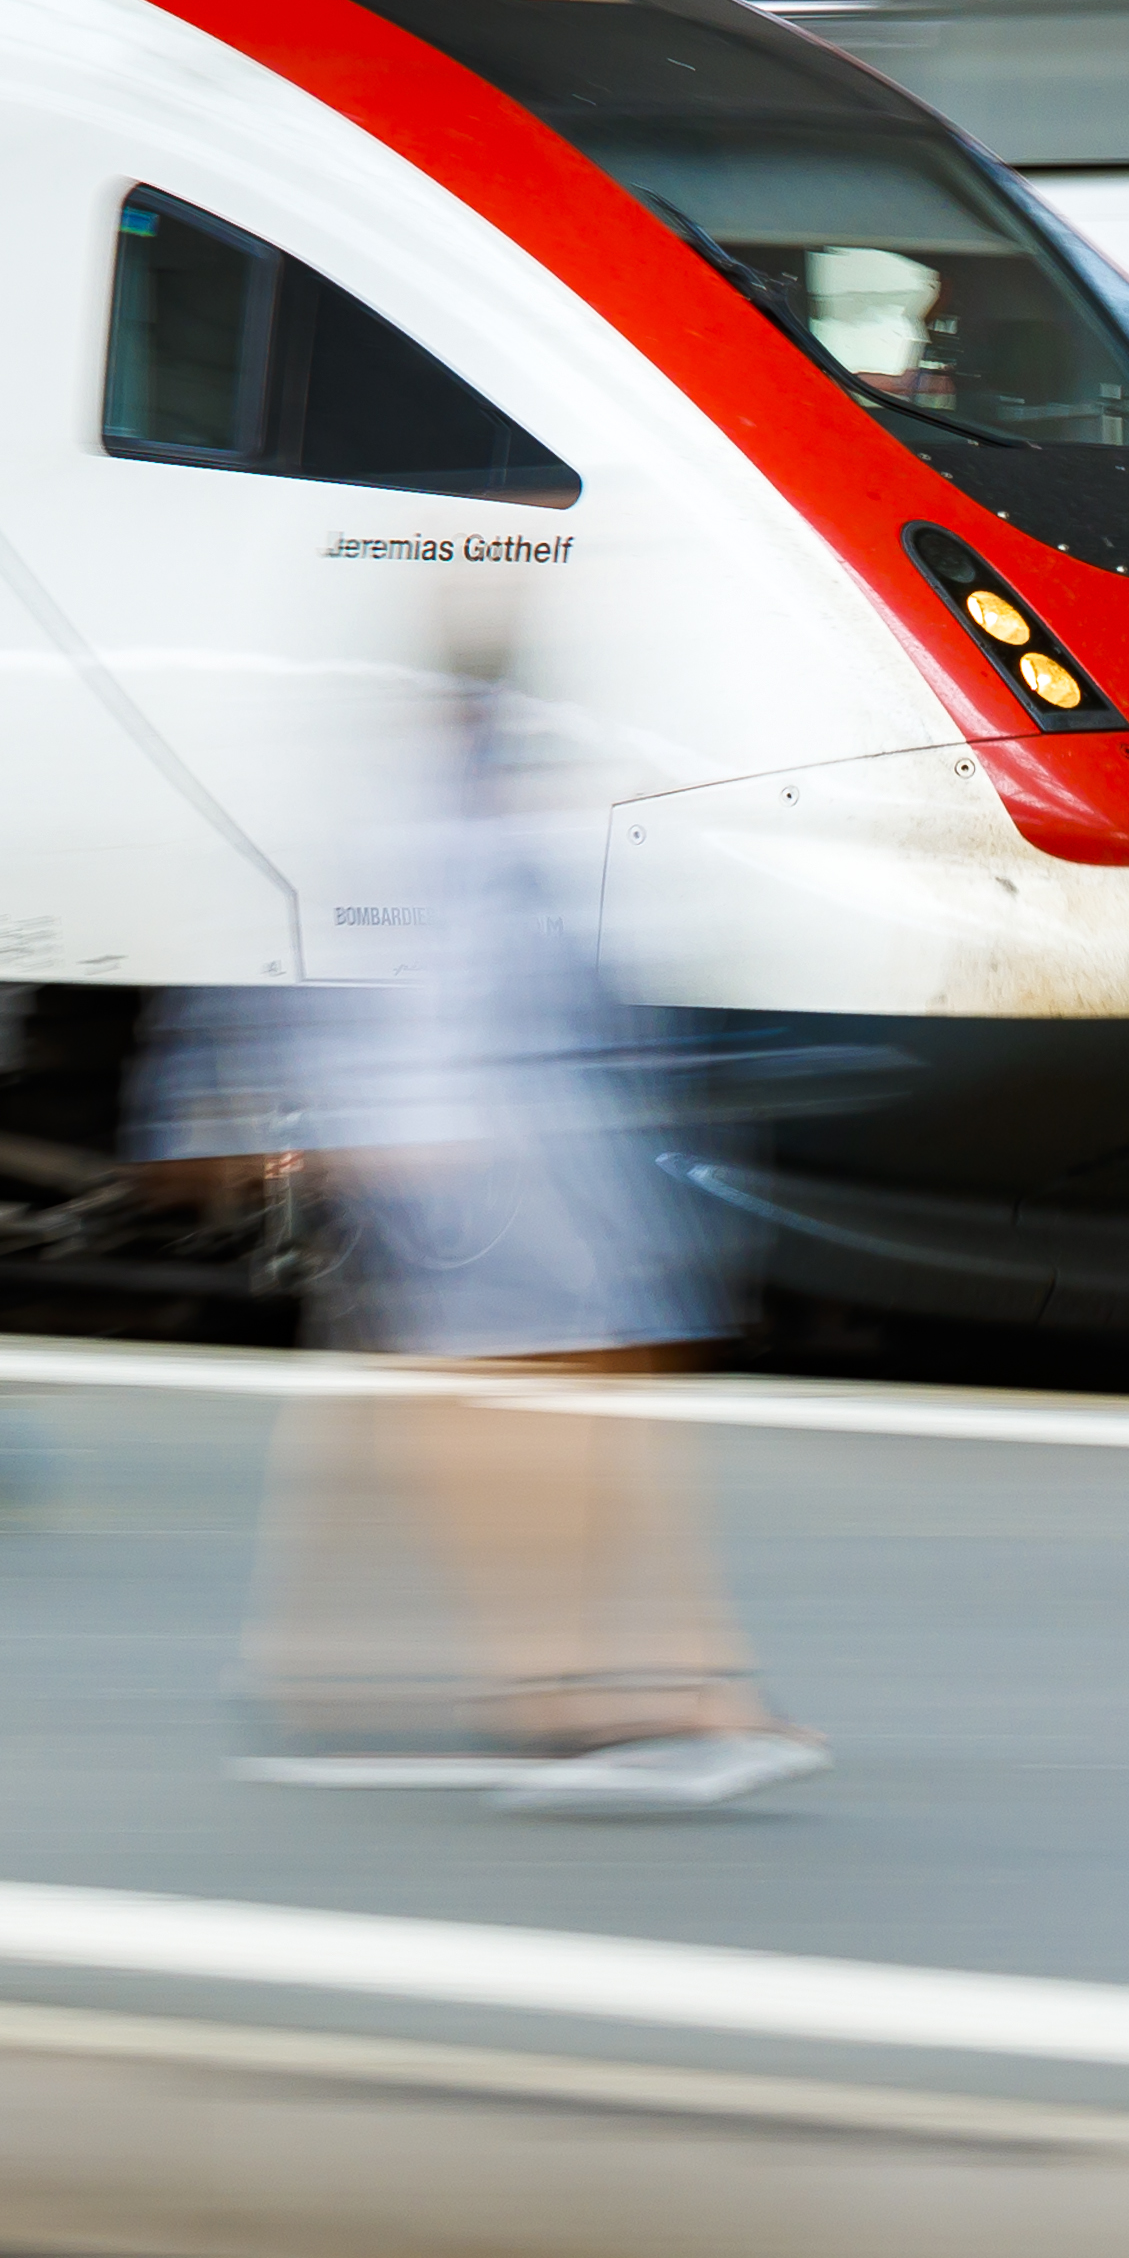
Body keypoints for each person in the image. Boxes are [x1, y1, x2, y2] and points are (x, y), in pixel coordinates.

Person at [205, 585, 825, 1816]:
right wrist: (399, 1146)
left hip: (512, 1163)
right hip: (490, 1173)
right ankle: (624, 1683)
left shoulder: (450, 811)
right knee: (542, 1417)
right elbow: (410, 992)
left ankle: (401, 1668)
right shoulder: (432, 823)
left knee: (464, 1413)